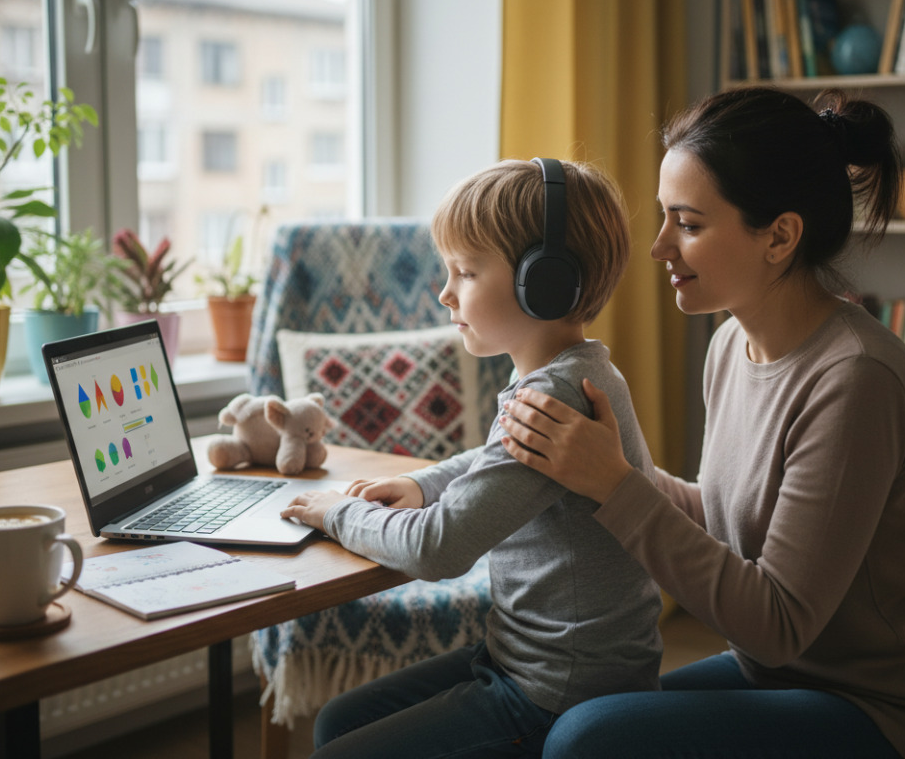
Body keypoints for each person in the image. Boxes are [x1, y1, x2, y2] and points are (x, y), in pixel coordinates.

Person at [498, 87, 905, 759]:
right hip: (779, 677)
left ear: (780, 236)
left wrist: (617, 487)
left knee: (587, 740)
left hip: (887, 713)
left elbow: (776, 622)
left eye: (689, 224)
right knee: (565, 712)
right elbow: (731, 518)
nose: (659, 246)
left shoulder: (854, 380)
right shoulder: (732, 343)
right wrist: (615, 469)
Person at [279, 158, 664, 757]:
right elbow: (499, 458)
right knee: (338, 723)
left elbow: (439, 547)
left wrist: (337, 514)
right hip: (521, 659)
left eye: (464, 271)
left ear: (546, 282)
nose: (444, 292)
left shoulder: (554, 391)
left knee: (336, 750)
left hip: (556, 689)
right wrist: (423, 484)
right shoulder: (575, 370)